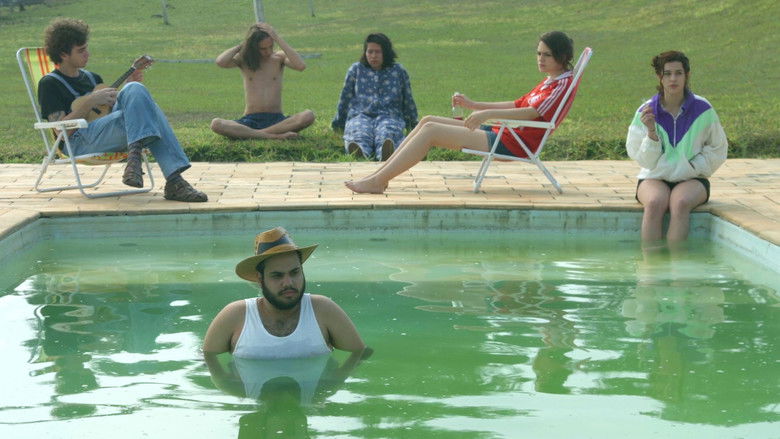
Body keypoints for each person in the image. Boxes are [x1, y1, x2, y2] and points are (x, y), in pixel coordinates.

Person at [345, 31, 575, 194]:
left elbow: (531, 113)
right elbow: (516, 104)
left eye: (546, 55)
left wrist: (486, 115)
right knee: (428, 120)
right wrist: (473, 105)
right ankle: (379, 176)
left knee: (431, 131)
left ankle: (378, 180)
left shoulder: (560, 85)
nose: (540, 59)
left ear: (562, 57)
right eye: (538, 53)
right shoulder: (550, 81)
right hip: (505, 133)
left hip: (514, 143)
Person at [37, 18, 207, 202]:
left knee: (135, 89)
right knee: (150, 110)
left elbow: (107, 113)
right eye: (81, 50)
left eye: (86, 48)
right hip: (77, 143)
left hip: (105, 134)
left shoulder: (93, 78)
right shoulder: (50, 84)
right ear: (63, 54)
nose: (87, 54)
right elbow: (61, 131)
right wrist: (90, 101)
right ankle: (173, 180)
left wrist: (130, 87)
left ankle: (134, 158)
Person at [202, 227, 368, 360]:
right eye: (277, 275)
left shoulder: (323, 310)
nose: (288, 282)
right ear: (260, 279)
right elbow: (206, 359)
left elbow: (361, 354)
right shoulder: (235, 315)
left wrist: (334, 382)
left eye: (294, 272)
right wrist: (232, 387)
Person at [626, 51, 728, 243]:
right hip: (655, 177)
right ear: (660, 76)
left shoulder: (703, 109)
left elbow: (718, 148)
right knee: (654, 203)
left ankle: (677, 260)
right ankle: (650, 260)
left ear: (687, 75)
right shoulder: (646, 111)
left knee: (680, 204)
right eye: (667, 73)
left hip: (692, 179)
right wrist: (651, 132)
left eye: (678, 73)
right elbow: (644, 161)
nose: (673, 79)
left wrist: (694, 167)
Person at [210, 22, 315, 140]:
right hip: (250, 120)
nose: (268, 51)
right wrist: (244, 44)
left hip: (277, 120)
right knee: (216, 124)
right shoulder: (244, 60)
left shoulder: (279, 58)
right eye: (263, 48)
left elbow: (301, 66)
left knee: (308, 115)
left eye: (271, 46)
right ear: (253, 46)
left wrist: (277, 37)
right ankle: (273, 136)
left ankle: (256, 134)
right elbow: (220, 62)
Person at [332, 33, 418, 161]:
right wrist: (339, 123)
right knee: (358, 131)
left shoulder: (398, 71)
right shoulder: (356, 70)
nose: (373, 56)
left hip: (389, 115)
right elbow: (345, 98)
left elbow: (408, 99)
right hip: (360, 115)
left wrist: (413, 123)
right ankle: (359, 152)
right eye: (370, 52)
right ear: (365, 53)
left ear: (386, 53)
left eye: (377, 52)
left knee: (387, 132)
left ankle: (385, 153)